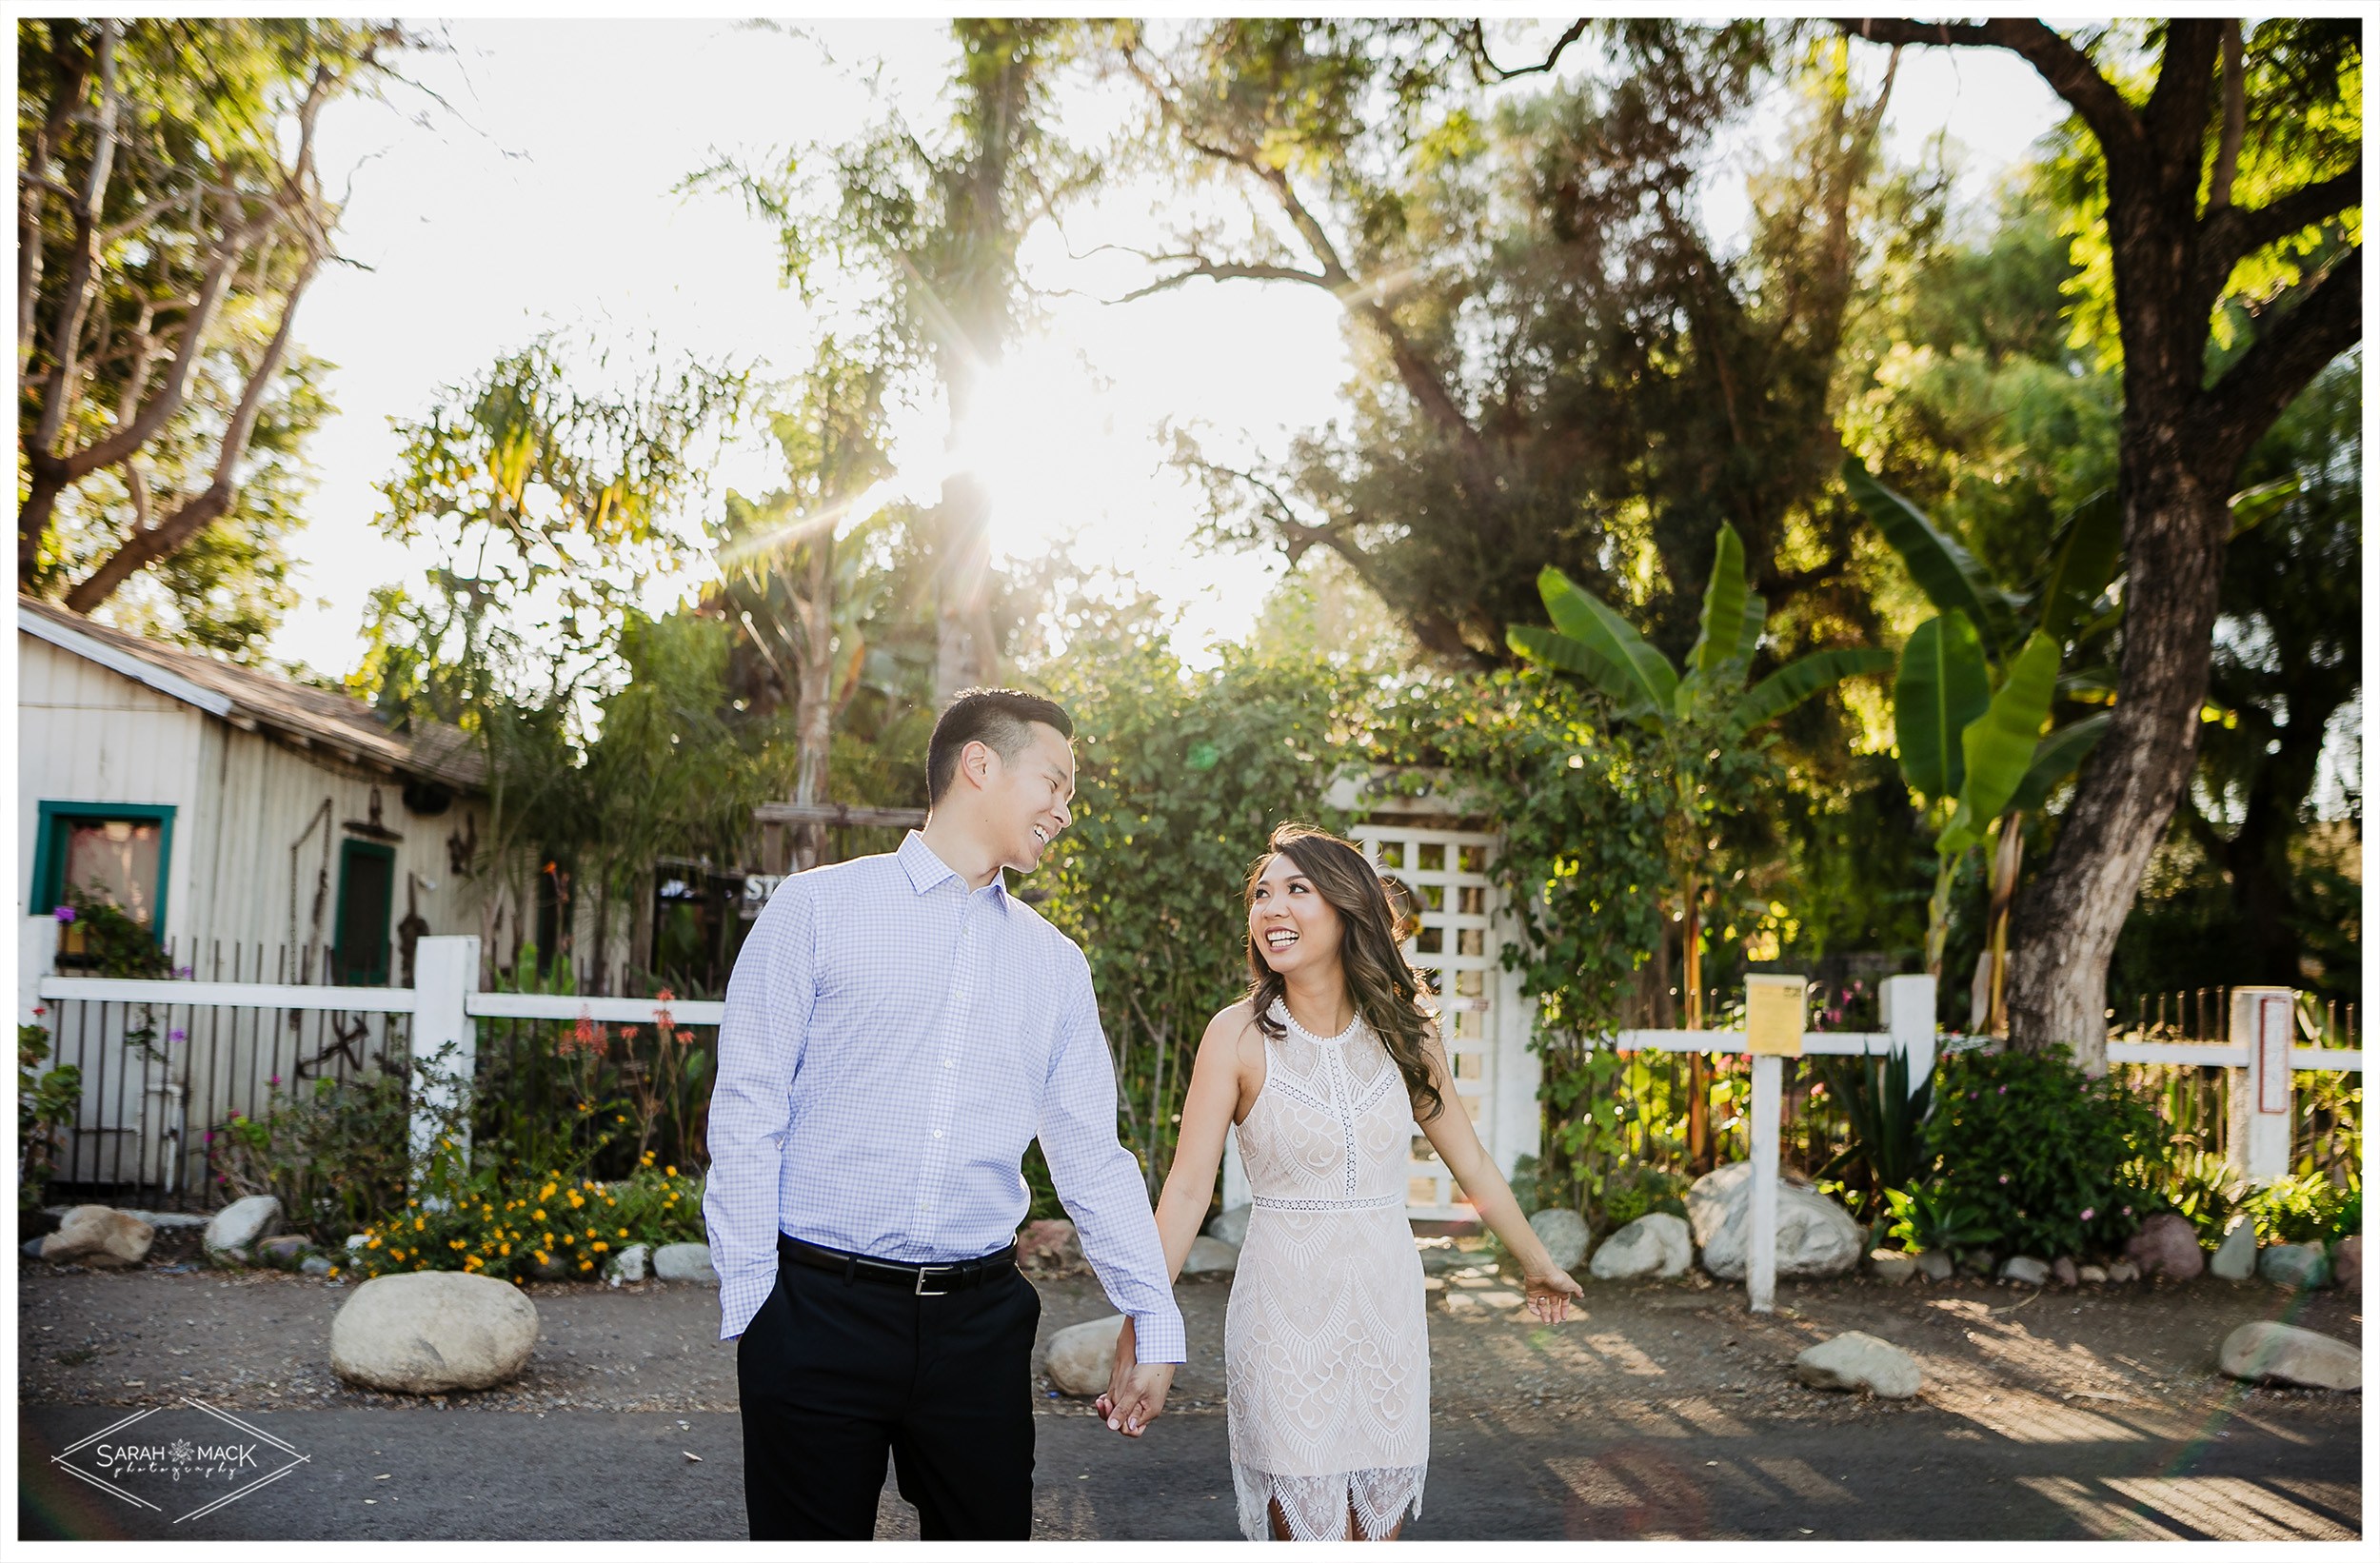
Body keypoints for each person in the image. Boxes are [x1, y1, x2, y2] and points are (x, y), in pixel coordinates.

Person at [705, 688, 1183, 1541]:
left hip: (978, 1327)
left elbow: (1091, 1157)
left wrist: (1153, 1315)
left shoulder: (1054, 966)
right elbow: (747, 1111)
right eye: (1056, 782)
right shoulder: (815, 911)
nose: (1064, 811)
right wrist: (755, 1306)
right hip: (816, 1314)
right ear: (979, 764)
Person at [1101, 822, 1583, 1541]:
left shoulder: (1405, 1031)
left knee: (1377, 1534)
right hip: (1283, 1321)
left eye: (1296, 889)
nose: (1270, 908)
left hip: (1386, 1315)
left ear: (1346, 908)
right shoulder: (1234, 1035)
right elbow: (1186, 1192)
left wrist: (1539, 1265)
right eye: (1261, 894)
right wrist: (1142, 1325)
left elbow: (1472, 1164)